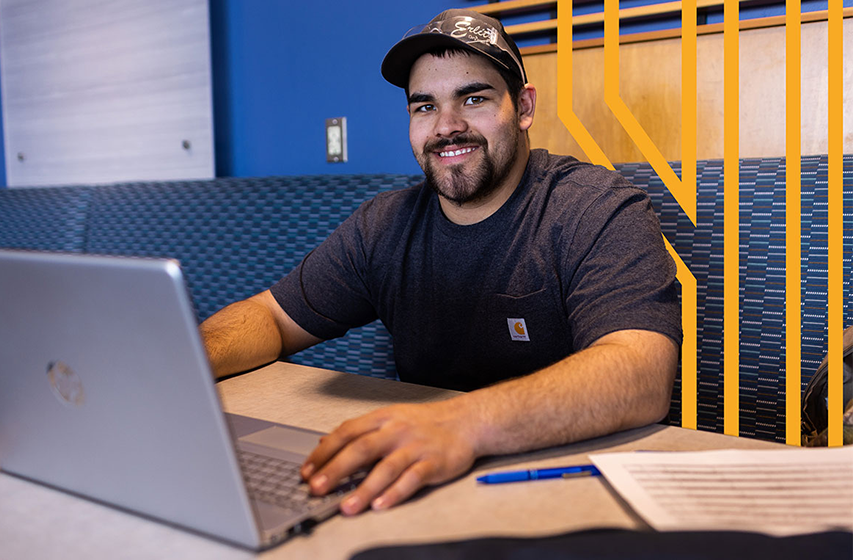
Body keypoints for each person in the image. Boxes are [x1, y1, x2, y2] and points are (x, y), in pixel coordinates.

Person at [200, 9, 682, 516]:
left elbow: (641, 371)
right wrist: (184, 363)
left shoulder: (594, 206)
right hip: (417, 483)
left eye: (473, 99)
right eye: (424, 107)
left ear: (522, 107)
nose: (447, 127)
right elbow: (270, 317)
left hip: (565, 492)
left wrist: (461, 423)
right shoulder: (382, 226)